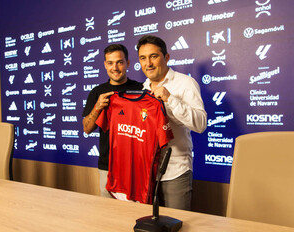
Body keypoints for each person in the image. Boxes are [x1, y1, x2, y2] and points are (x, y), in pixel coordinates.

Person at [137, 35, 207, 210]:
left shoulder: (186, 83)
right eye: (143, 58)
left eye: (153, 56)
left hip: (176, 171)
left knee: (177, 223)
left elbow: (200, 124)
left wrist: (170, 100)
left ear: (166, 57)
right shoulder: (143, 88)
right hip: (147, 173)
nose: (148, 63)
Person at [82, 44, 143, 198]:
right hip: (107, 166)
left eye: (119, 62)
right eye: (110, 63)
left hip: (135, 166)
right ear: (105, 65)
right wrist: (97, 108)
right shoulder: (97, 92)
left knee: (135, 213)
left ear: (128, 63)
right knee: (109, 215)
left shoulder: (141, 89)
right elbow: (86, 129)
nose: (115, 67)